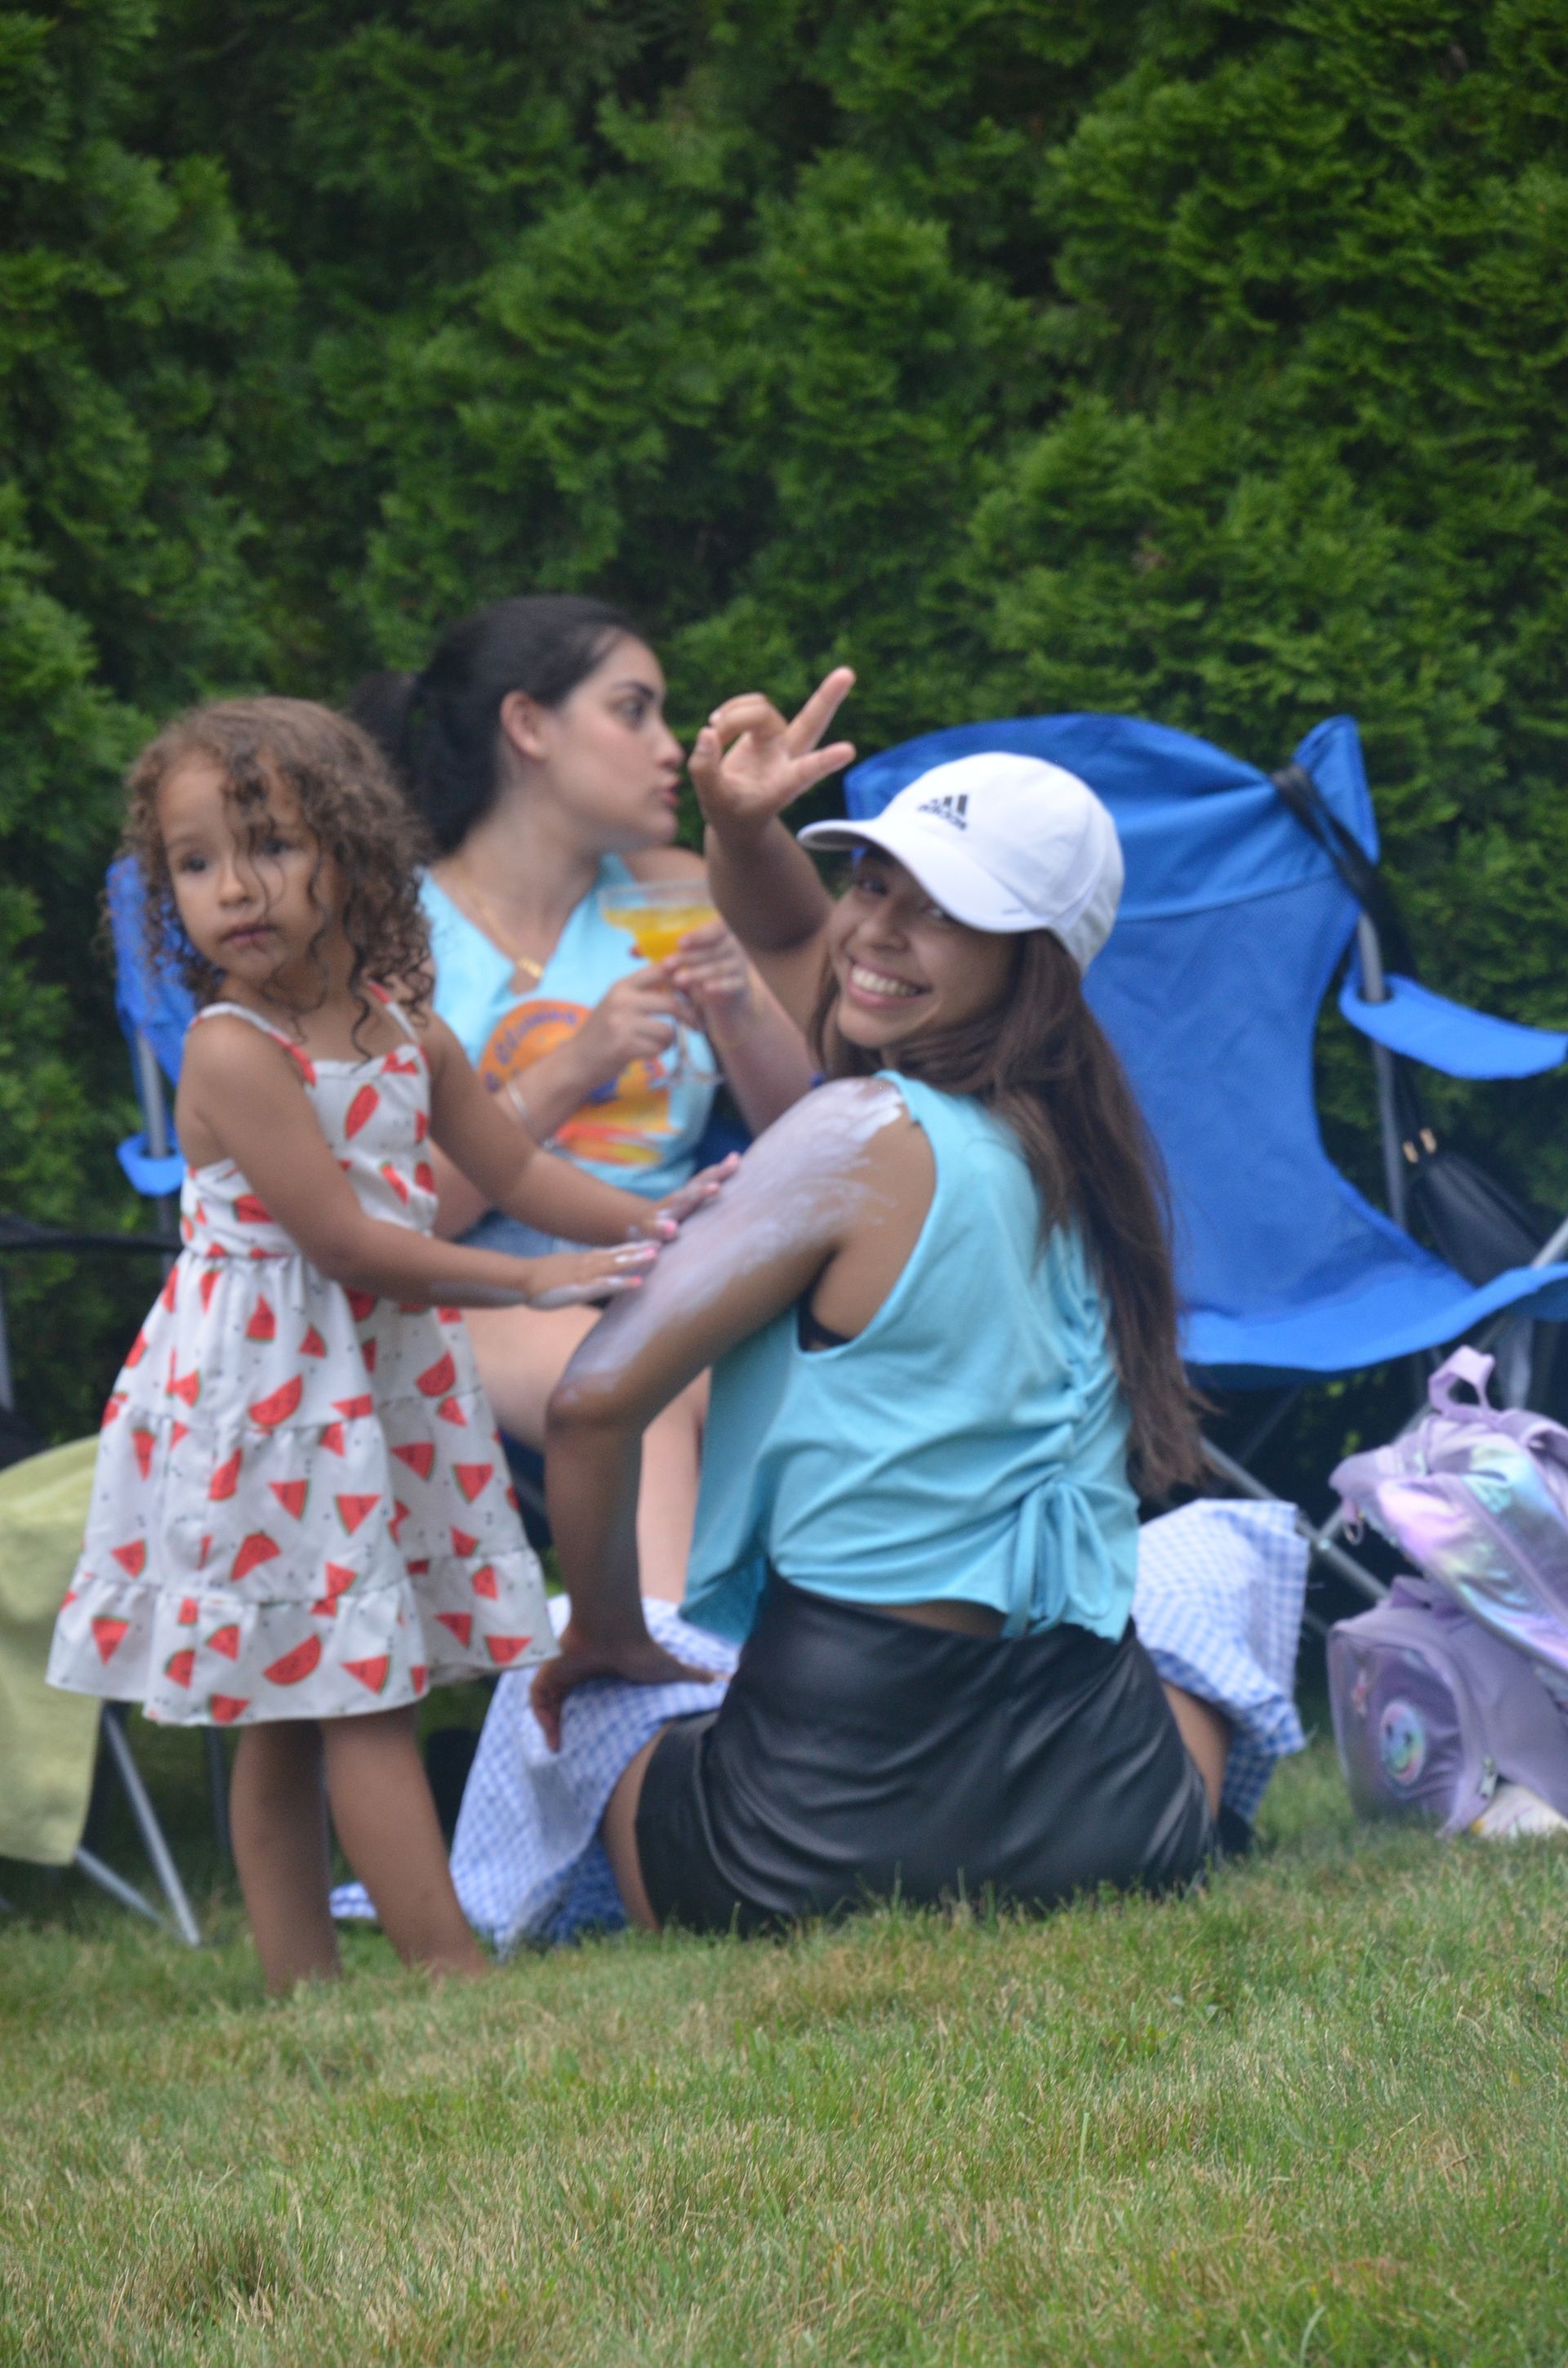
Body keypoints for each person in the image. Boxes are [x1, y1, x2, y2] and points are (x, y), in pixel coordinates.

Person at [525, 703, 1241, 1935]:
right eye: (873, 879)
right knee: (1225, 1563)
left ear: (1029, 957)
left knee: (582, 1694)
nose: (881, 929)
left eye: (946, 907)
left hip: (803, 1851)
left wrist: (600, 1632)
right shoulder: (1079, 1134)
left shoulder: (857, 1132)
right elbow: (809, 939)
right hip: (1116, 1826)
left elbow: (592, 1400)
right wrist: (741, 829)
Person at [46, 696, 717, 1992]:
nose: (234, 888)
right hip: (270, 1406)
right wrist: (531, 1291)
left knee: (309, 1694)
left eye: (271, 846)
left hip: (368, 1392)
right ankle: (445, 1968)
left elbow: (516, 1164)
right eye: (195, 863)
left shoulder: (409, 1034)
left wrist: (661, 1218)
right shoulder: (234, 1052)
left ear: (350, 850)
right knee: (341, 1689)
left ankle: (307, 1986)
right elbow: (350, 1245)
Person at [352, 597, 821, 1599]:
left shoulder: (676, 890)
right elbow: (384, 1214)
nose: (670, 749)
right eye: (634, 710)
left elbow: (808, 1135)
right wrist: (572, 1064)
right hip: (466, 1293)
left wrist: (738, 1012)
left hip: (664, 1276)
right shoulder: (398, 937)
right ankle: (658, 1695)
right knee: (639, 1384)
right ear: (528, 727)